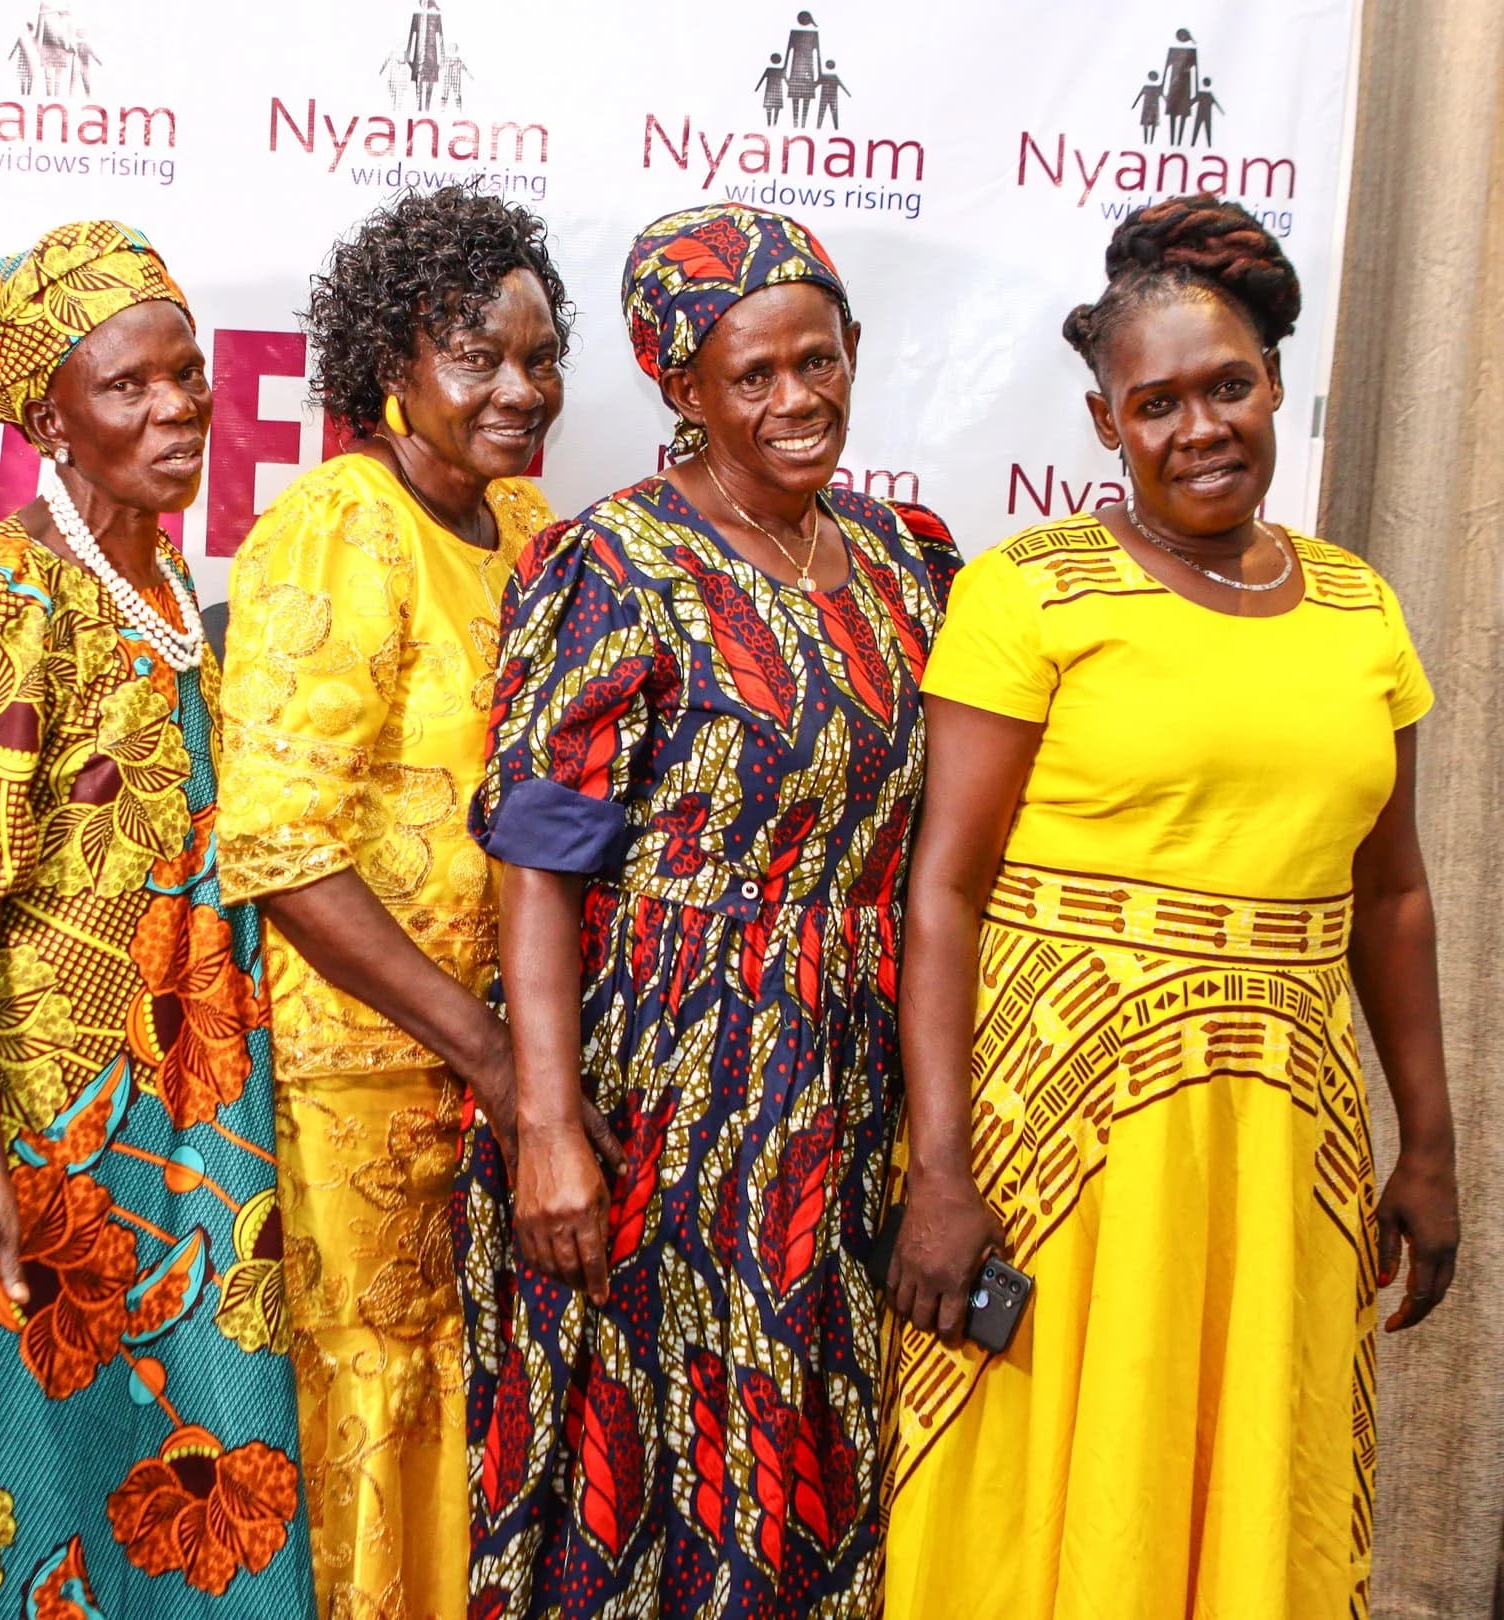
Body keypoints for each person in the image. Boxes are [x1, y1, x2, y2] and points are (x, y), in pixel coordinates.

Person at [882, 194, 1459, 1620]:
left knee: (1253, 1471)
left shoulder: (1359, 610)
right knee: (1059, 1481)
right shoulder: (1033, 593)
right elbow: (942, 891)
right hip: (1066, 1133)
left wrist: (1433, 1146)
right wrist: (941, 1171)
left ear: (1277, 388)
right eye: (1156, 403)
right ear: (1102, 422)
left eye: (1228, 387)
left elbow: (1389, 898)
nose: (1198, 426)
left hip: (1281, 1144)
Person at [462, 203, 960, 1619]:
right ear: (681, 391)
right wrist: (547, 1122)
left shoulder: (910, 561)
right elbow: (539, 861)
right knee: (659, 1459)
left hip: (857, 1075)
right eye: (754, 375)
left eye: (819, 360)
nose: (798, 398)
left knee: (822, 1453)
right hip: (666, 1085)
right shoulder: (607, 568)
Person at [0, 220, 314, 1619]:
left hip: (191, 1100)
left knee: (211, 1450)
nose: (177, 406)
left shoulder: (168, 581)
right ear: (46, 417)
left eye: (187, 374)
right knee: (53, 1467)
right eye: (128, 386)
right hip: (44, 1116)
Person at [216, 187, 587, 1620]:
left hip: (511, 1077)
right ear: (391, 368)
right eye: (474, 356)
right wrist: (493, 1058)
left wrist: (528, 1067)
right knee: (375, 1416)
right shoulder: (333, 530)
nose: (517, 387)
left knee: (477, 1408)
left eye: (537, 355)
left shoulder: (534, 525)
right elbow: (282, 850)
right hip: (364, 1084)